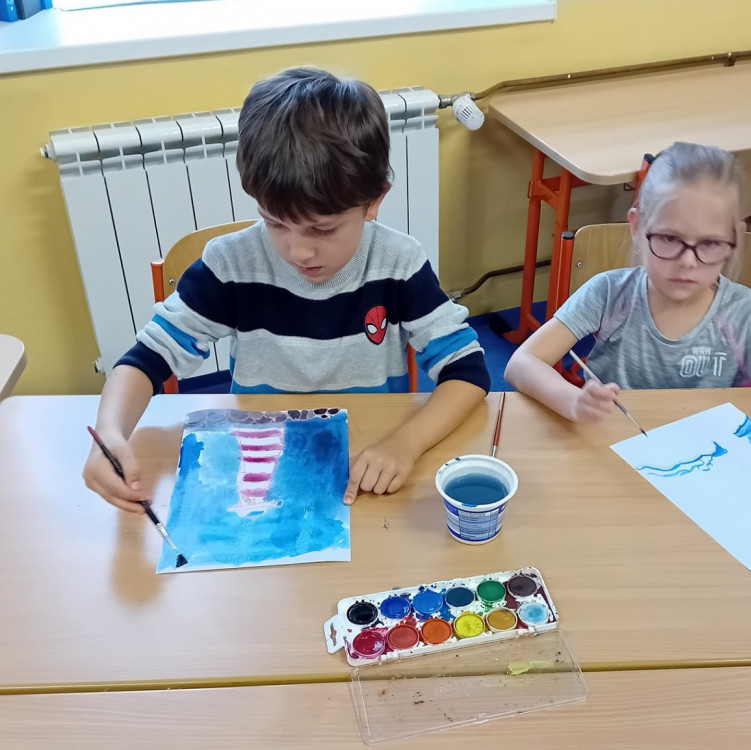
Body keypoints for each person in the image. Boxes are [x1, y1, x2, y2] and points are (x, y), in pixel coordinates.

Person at [84, 67, 490, 512]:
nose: (299, 251)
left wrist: (406, 444)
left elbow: (468, 372)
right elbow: (146, 359)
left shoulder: (398, 263)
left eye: (322, 228)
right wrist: (109, 433)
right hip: (259, 461)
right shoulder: (232, 265)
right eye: (275, 222)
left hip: (365, 464)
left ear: (374, 200)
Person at [504, 142, 751, 525]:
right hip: (618, 474)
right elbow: (522, 363)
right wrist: (572, 401)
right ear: (637, 227)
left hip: (718, 484)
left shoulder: (744, 314)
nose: (688, 262)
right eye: (669, 239)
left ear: (734, 242)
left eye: (710, 244)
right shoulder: (610, 293)